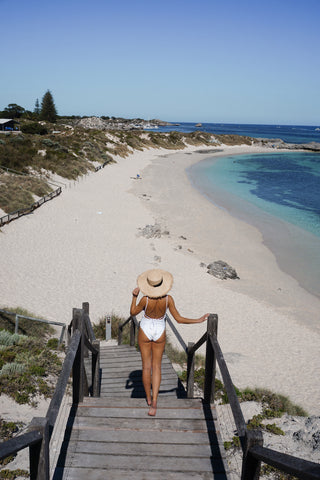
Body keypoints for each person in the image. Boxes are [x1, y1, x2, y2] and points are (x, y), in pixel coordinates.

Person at [130, 269, 208, 416]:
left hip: (145, 328)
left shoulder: (144, 299)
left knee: (146, 366)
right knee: (157, 367)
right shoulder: (168, 299)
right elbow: (179, 319)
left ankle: (147, 397)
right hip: (160, 328)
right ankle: (154, 402)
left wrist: (134, 297)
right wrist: (198, 320)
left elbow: (133, 312)